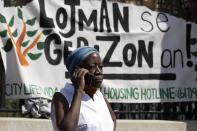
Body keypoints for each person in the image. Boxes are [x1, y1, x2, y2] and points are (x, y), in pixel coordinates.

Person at [51, 46, 116, 131]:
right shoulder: (62, 97)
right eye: (92, 67)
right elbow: (67, 129)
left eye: (100, 67)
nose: (98, 72)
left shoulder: (99, 96)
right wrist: (78, 91)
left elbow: (113, 120)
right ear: (77, 71)